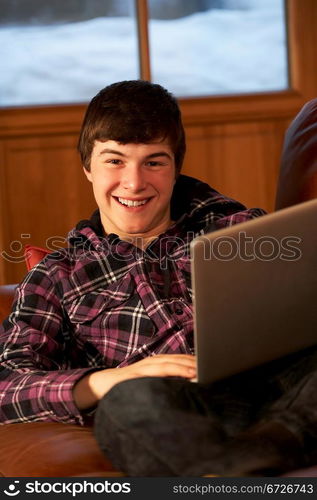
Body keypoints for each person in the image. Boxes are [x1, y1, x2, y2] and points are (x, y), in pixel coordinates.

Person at [0, 80, 315, 477]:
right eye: (114, 161)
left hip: (277, 391)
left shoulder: (242, 230)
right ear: (87, 168)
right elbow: (7, 386)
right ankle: (241, 468)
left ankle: (250, 460)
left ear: (175, 167)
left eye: (154, 162)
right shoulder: (58, 275)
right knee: (128, 401)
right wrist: (112, 380)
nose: (134, 183)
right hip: (171, 408)